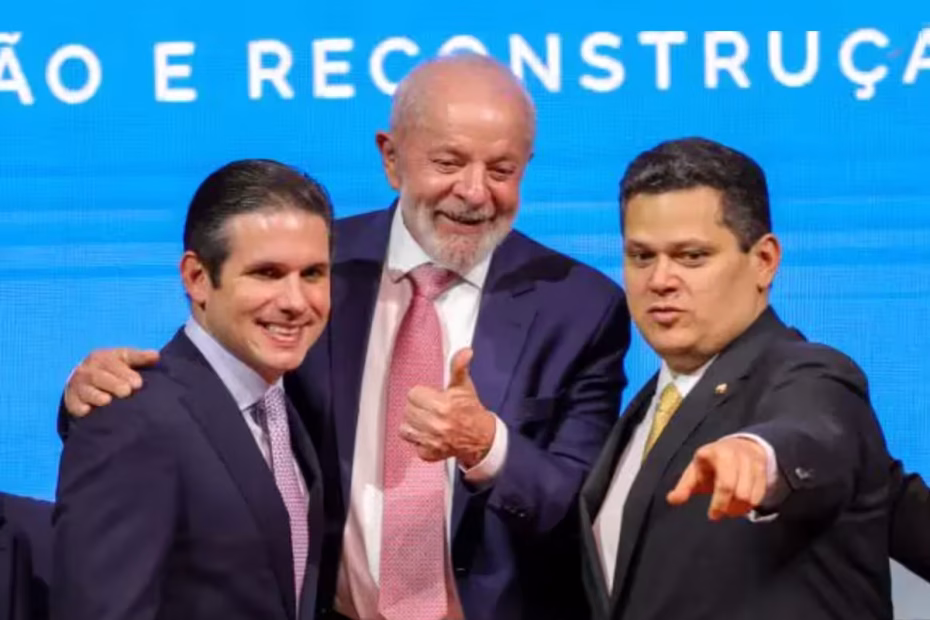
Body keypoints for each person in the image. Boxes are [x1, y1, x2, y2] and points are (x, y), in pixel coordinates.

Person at [58, 55, 630, 620]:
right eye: (449, 162)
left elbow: (584, 506)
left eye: (502, 170)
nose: (475, 192)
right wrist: (96, 396)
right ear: (390, 157)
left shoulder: (580, 306)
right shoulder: (313, 263)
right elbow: (207, 396)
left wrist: (488, 447)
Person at [579, 137, 894, 619]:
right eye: (642, 256)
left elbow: (812, 430)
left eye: (691, 256)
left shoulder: (808, 372)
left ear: (764, 261)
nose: (659, 279)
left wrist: (759, 456)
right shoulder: (643, 412)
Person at [52, 159, 332, 620]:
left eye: (313, 274)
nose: (295, 302)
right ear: (197, 278)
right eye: (266, 273)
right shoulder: (131, 421)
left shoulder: (286, 399)